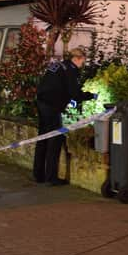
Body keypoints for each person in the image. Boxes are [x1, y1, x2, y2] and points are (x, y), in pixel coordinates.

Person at [33, 48, 96, 185]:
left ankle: (38, 175)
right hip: (52, 106)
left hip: (41, 102)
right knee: (55, 139)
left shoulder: (58, 66)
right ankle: (51, 178)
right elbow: (75, 93)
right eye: (83, 61)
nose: (82, 65)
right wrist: (91, 95)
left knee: (42, 138)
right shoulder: (70, 70)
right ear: (77, 58)